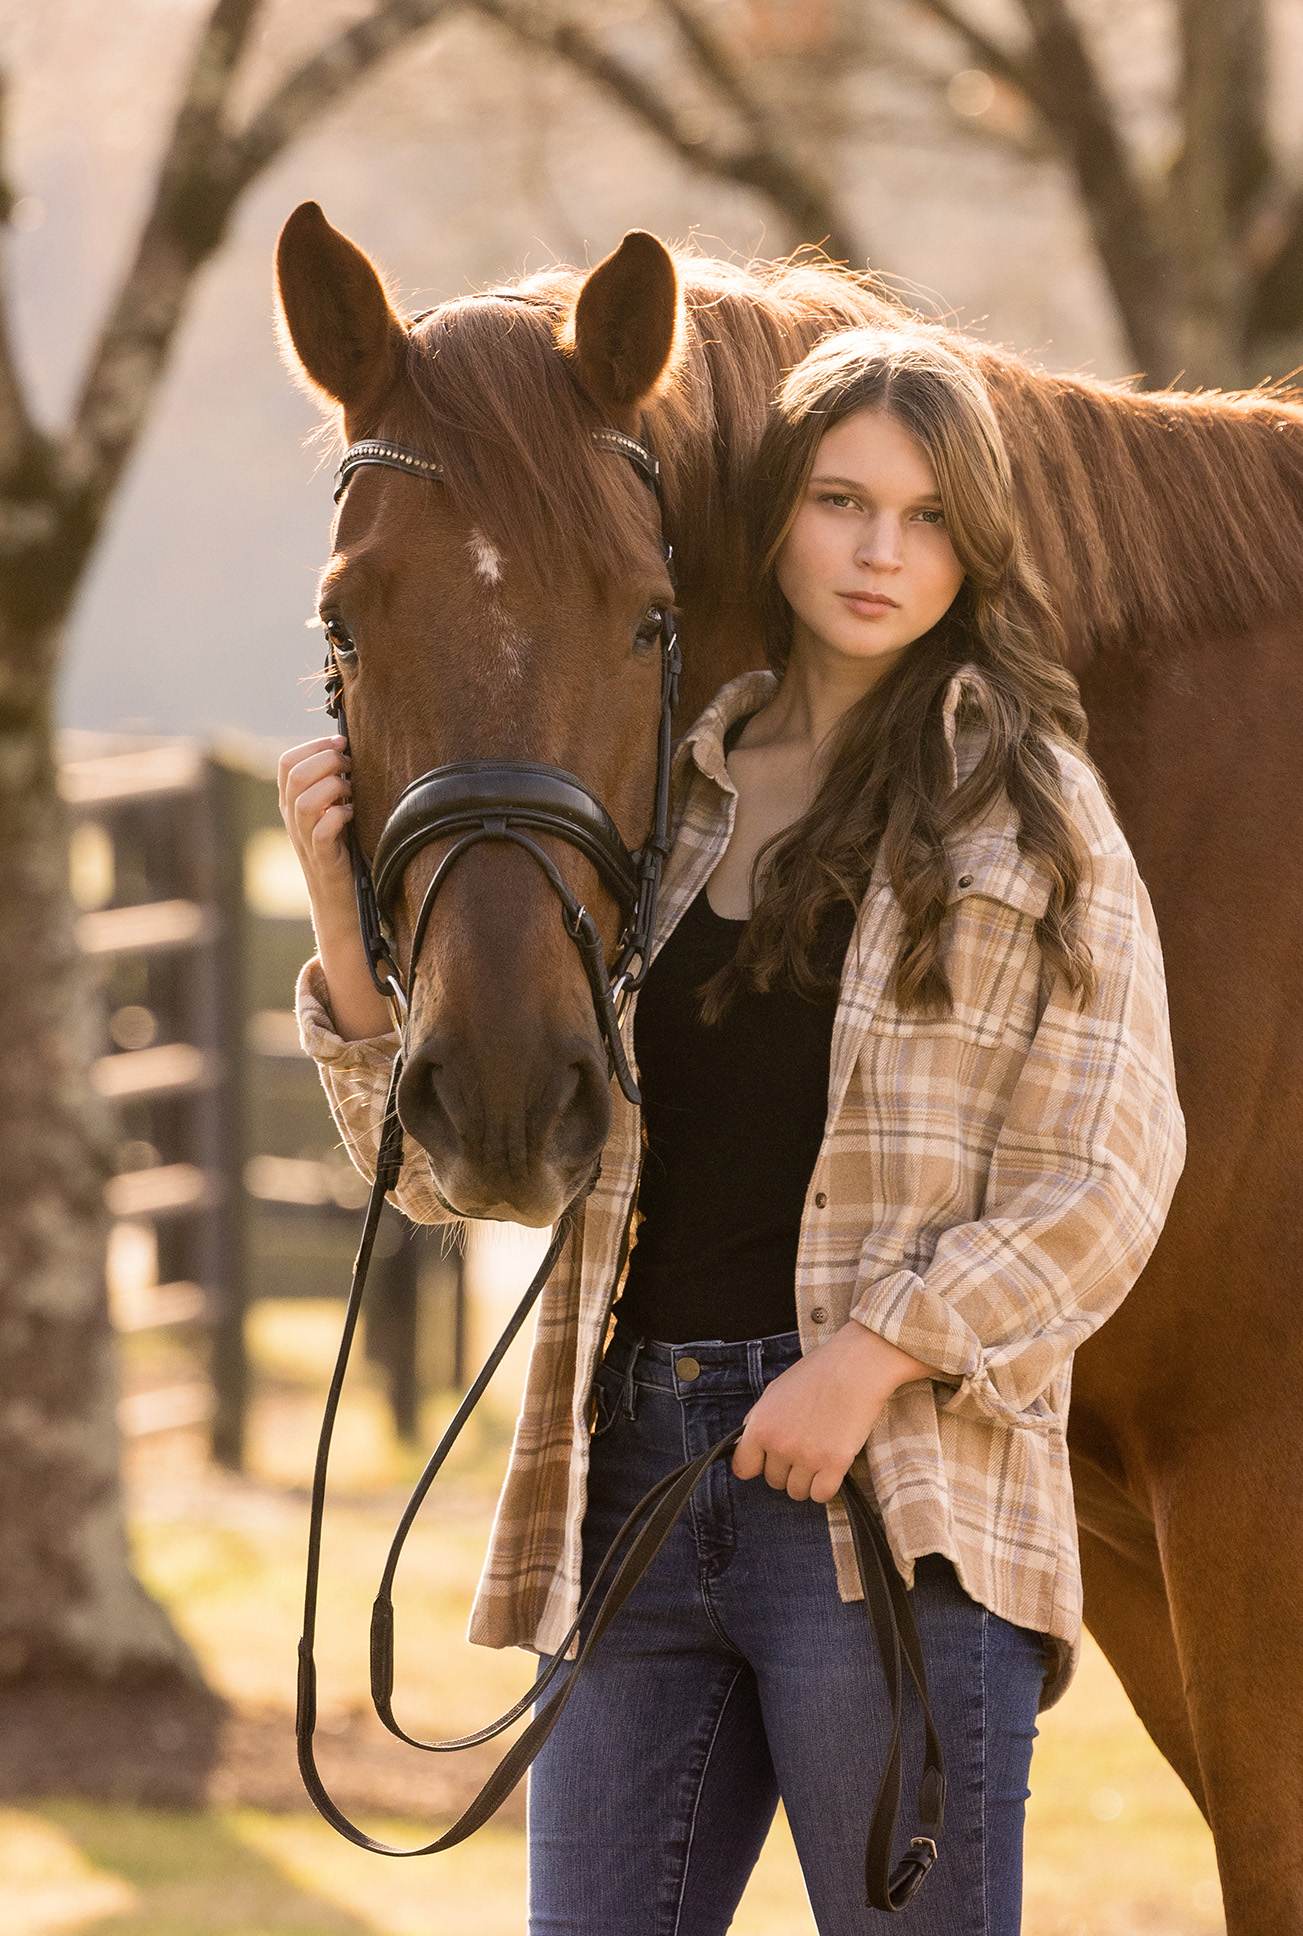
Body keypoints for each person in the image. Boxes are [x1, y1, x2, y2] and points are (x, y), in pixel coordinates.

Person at [279, 328, 1185, 1933]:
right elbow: (443, 1175)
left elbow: (1106, 1180)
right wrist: (340, 919)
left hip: (889, 1508)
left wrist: (874, 1356)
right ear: (778, 517)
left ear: (971, 550)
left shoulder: (1027, 812)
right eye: (841, 499)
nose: (876, 550)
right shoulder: (664, 806)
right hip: (631, 1475)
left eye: (922, 516)